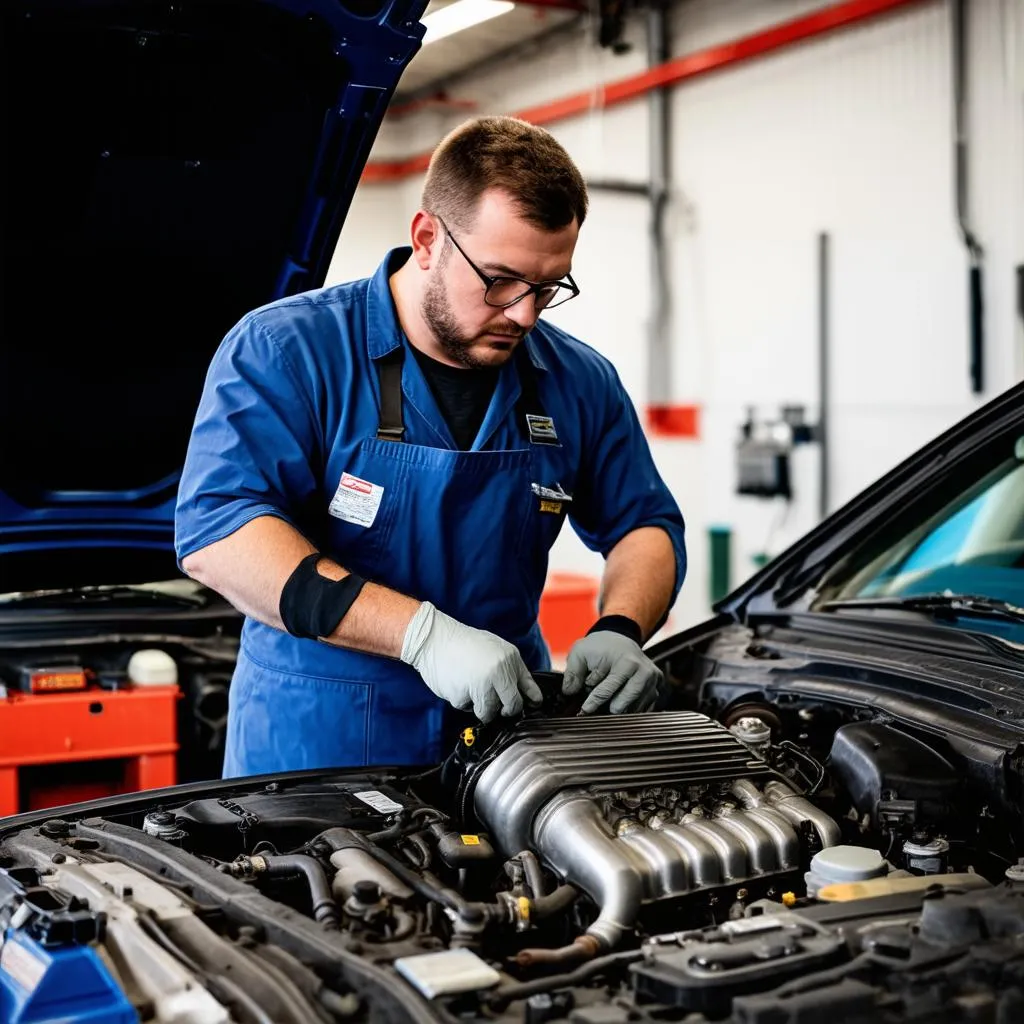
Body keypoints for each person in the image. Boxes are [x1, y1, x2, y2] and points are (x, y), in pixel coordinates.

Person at [174, 116, 687, 777]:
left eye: (548, 287)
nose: (524, 315)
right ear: (426, 239)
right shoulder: (287, 351)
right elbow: (220, 534)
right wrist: (420, 634)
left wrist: (621, 626)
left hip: (507, 742)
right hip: (318, 747)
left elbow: (643, 522)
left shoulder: (577, 381)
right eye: (500, 281)